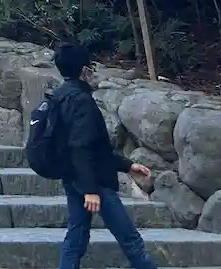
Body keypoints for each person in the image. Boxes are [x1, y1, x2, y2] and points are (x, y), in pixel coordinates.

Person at [50, 43, 157, 269]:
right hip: (96, 181)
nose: (93, 70)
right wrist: (90, 189)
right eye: (90, 66)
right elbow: (81, 147)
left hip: (74, 177)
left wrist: (127, 166)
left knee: (76, 239)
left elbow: (92, 147)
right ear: (84, 69)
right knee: (130, 240)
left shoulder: (60, 96)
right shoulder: (81, 101)